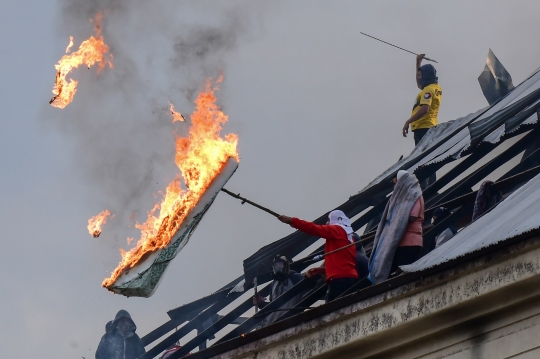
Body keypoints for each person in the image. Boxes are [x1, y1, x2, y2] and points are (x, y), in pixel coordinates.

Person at [278, 210, 358, 302]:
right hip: (349, 277)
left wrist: (292, 221)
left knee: (333, 310)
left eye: (329, 219)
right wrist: (323, 270)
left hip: (339, 279)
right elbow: (342, 263)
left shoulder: (337, 230)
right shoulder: (349, 237)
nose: (327, 222)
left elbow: (314, 228)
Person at [368, 170, 424, 284]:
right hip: (402, 241)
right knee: (397, 271)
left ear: (402, 182)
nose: (395, 186)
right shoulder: (404, 196)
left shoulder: (414, 194)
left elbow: (412, 216)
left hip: (410, 241)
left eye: (395, 183)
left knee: (403, 273)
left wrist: (397, 220)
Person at [253, 255, 304, 326]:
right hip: (272, 324)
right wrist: (261, 303)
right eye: (275, 266)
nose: (277, 268)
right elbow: (274, 307)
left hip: (290, 322)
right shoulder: (273, 285)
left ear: (287, 265)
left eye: (280, 264)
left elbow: (311, 288)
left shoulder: (295, 277)